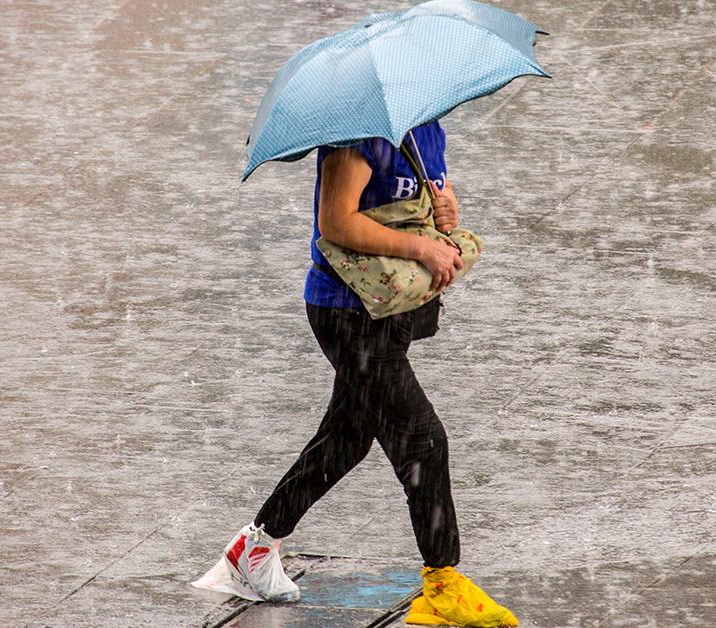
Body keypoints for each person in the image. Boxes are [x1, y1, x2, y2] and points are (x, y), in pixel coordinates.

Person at [192, 122, 517, 627]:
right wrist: (424, 250)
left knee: (347, 437)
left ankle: (251, 552)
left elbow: (425, 202)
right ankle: (442, 586)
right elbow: (335, 224)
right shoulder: (357, 134)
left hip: (390, 307)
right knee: (422, 440)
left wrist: (446, 214)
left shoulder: (426, 126)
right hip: (348, 312)